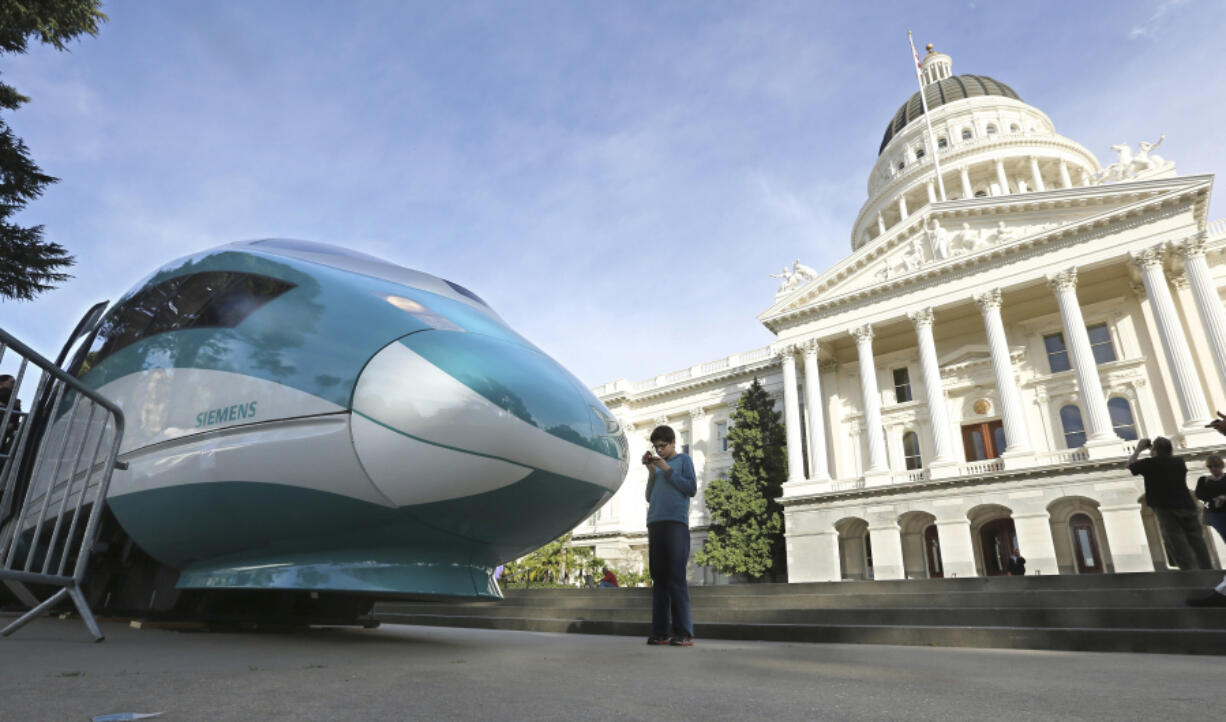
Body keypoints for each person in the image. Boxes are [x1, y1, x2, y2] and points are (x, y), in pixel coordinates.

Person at [642, 425, 697, 647]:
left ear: (673, 443)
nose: (659, 450)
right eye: (656, 447)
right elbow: (649, 496)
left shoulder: (683, 460)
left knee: (675, 576)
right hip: (655, 522)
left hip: (676, 523)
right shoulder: (657, 466)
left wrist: (667, 469)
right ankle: (660, 632)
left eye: (663, 446)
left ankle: (683, 632)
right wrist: (653, 472)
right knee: (659, 579)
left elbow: (691, 488)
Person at [1127, 437, 1212, 571]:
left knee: (1175, 541)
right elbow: (1164, 456)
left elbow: (1130, 465)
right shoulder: (1179, 462)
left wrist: (1139, 449)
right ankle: (1207, 569)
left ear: (1154, 450)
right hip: (1186, 504)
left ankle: (1190, 572)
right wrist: (1154, 449)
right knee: (1196, 539)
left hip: (1165, 507)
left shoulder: (1150, 463)